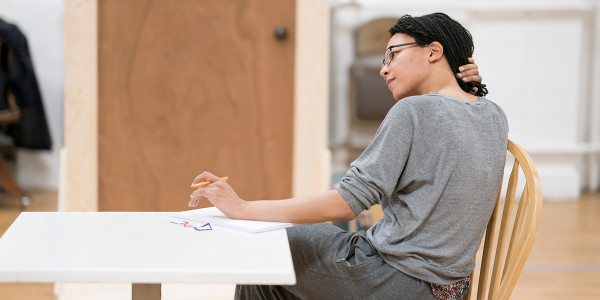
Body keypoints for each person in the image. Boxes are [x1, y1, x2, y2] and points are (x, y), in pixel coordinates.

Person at [189, 12, 508, 300]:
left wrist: (243, 208)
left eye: (393, 55)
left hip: (398, 280)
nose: (384, 69)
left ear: (433, 51)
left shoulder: (413, 111)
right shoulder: (493, 115)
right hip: (449, 285)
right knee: (292, 239)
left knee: (267, 253)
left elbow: (346, 203)